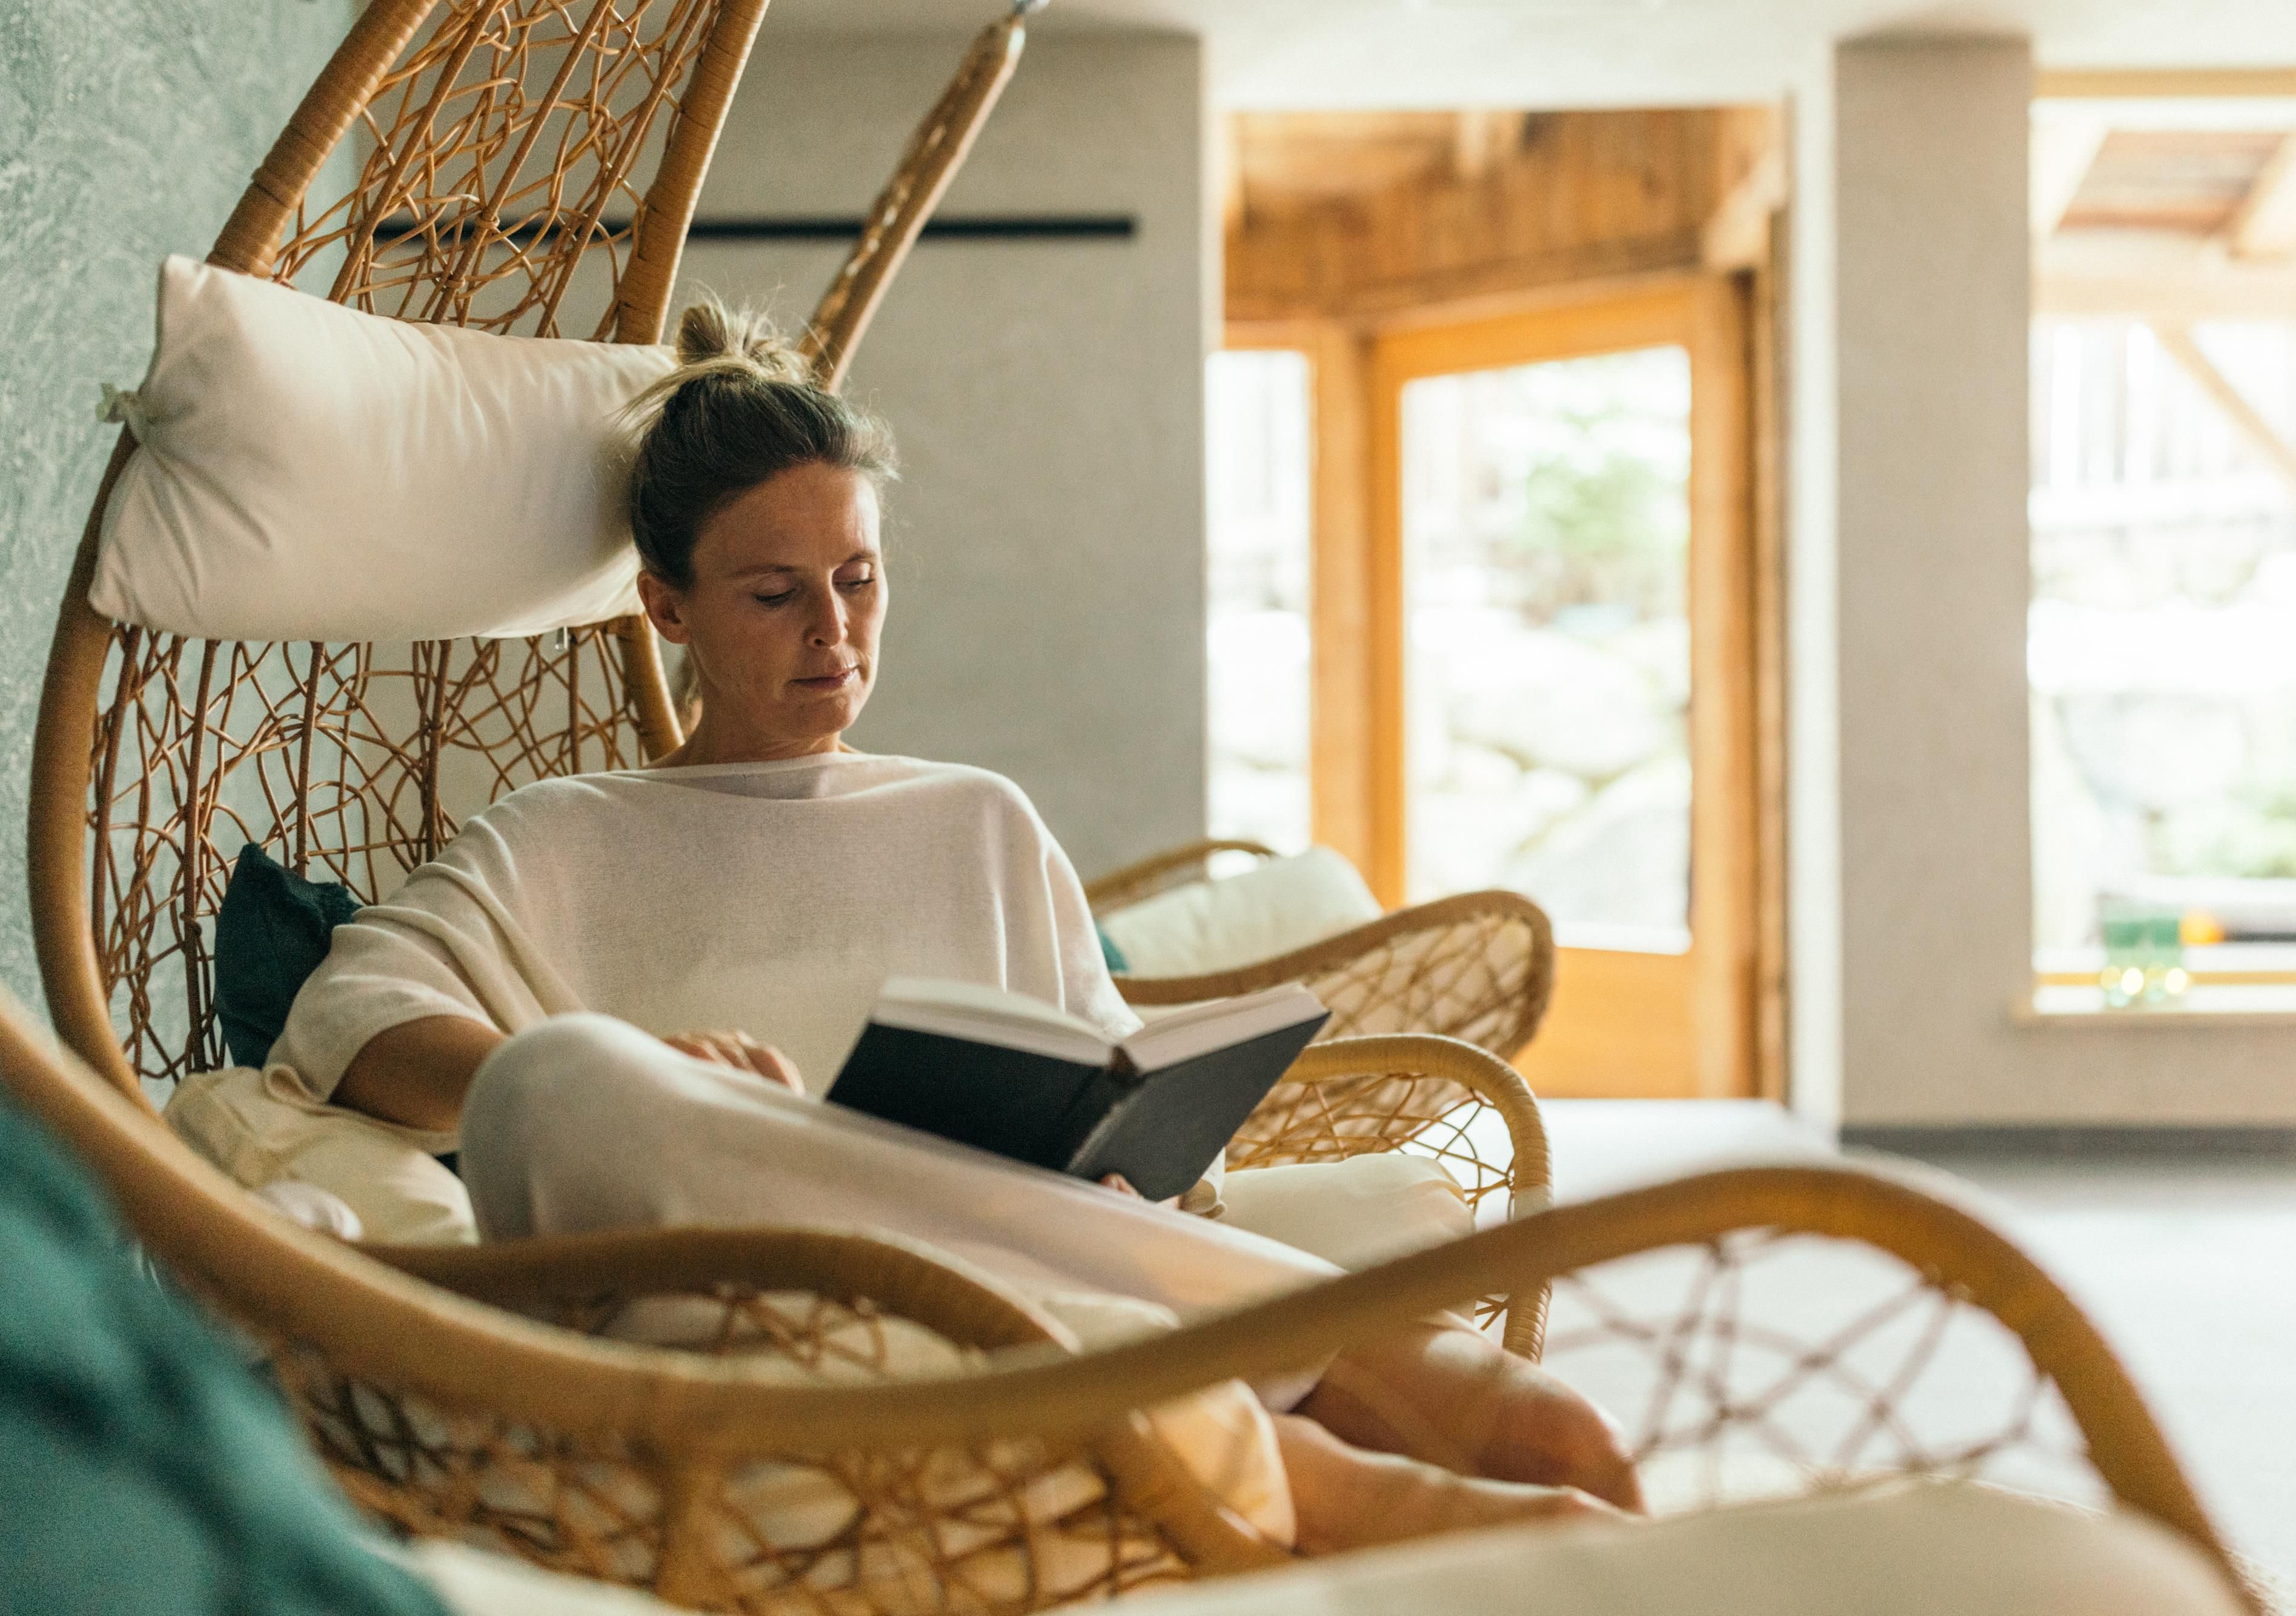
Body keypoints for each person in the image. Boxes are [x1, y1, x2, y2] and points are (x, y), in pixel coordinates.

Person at [278, 300, 1642, 1555]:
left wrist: (1137, 1171)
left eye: (858, 579)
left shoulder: (976, 819)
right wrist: (661, 1078)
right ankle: (1287, 1413)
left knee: (1565, 1442)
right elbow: (348, 1018)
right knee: (565, 1083)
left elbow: (1102, 1075)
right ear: (666, 603)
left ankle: (1230, 1383)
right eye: (775, 594)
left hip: (1066, 1270)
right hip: (776, 1308)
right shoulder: (565, 834)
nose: (833, 632)